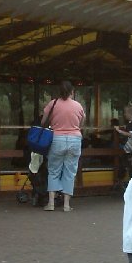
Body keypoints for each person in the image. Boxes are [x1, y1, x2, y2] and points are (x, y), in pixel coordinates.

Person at [42, 80, 85, 212]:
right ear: (72, 92)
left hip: (57, 139)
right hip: (75, 139)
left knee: (54, 170)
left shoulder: (53, 104)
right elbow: (81, 124)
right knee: (70, 172)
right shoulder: (78, 106)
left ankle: (51, 203)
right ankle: (66, 205)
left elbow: (43, 121)